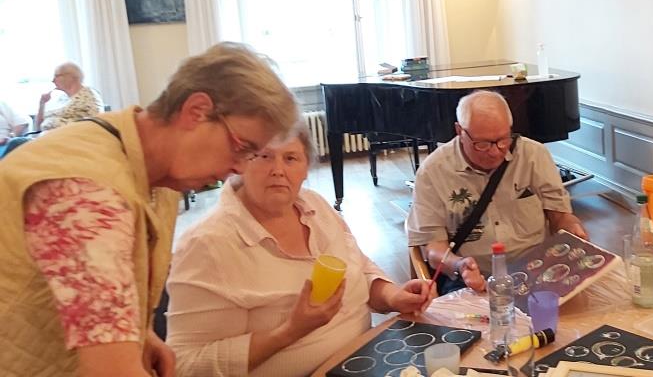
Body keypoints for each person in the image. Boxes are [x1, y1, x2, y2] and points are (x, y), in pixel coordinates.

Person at [0, 42, 298, 377]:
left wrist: (140, 333)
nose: (240, 168)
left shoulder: (148, 163)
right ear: (197, 111)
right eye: (242, 148)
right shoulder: (88, 193)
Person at [166, 124, 434, 377]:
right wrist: (290, 331)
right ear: (239, 164)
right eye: (263, 156)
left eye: (291, 158)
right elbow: (185, 364)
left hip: (367, 359)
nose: (278, 170)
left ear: (306, 168)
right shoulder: (207, 245)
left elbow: (359, 268)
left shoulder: (314, 205)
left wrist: (393, 296)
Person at [406, 90, 587, 294]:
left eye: (503, 140)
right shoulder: (433, 171)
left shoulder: (533, 155)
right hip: (473, 279)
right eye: (482, 144)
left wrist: (571, 227)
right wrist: (459, 265)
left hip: (536, 272)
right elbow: (433, 248)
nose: (495, 152)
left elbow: (559, 216)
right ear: (459, 131)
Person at [36, 61, 103, 131]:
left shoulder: (88, 96)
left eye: (57, 76)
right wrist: (42, 104)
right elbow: (38, 127)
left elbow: (94, 125)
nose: (53, 80)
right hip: (48, 136)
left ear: (71, 77)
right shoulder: (62, 98)